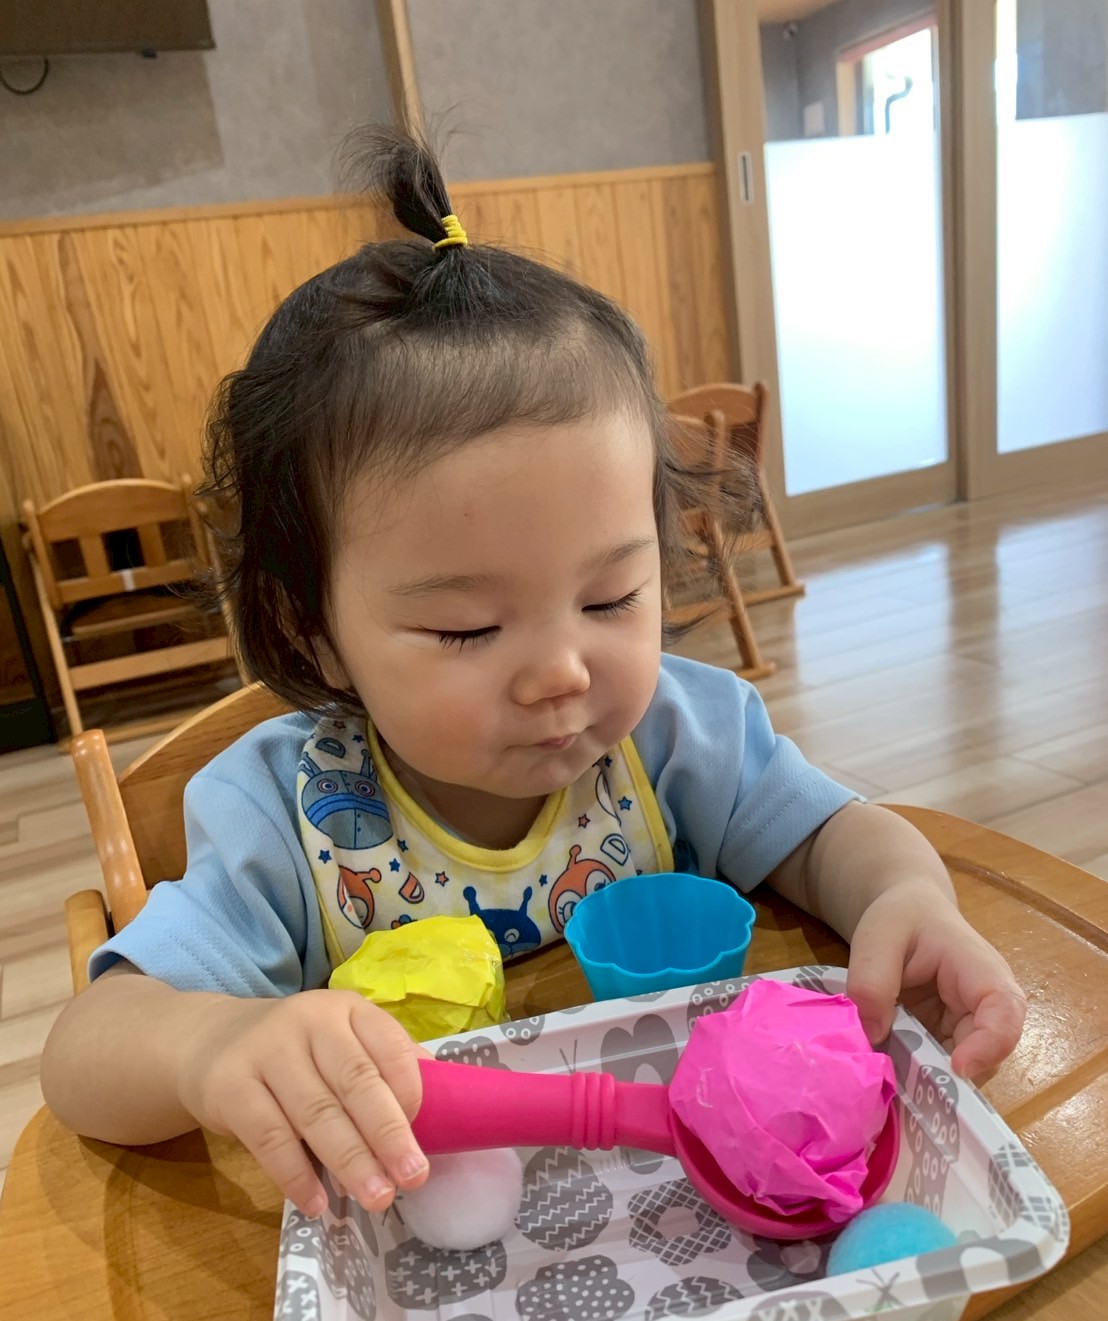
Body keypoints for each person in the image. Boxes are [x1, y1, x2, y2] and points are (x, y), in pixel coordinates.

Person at [41, 130, 1025, 1224]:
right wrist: (208, 1043)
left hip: (678, 1212)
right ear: (310, 630)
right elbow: (83, 1054)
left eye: (609, 599)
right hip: (430, 1244)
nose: (561, 672)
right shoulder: (284, 814)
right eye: (466, 627)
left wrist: (905, 896)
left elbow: (833, 833)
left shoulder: (678, 736)